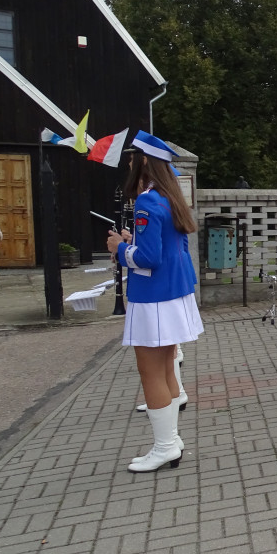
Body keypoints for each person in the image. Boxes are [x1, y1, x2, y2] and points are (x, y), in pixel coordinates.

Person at [106, 131, 203, 472]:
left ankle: (165, 447)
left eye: (133, 156)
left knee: (151, 372)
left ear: (145, 160)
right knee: (165, 367)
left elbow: (148, 259)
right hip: (173, 295)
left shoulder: (148, 200)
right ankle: (170, 441)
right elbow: (162, 247)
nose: (130, 162)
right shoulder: (168, 196)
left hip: (154, 297)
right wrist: (133, 242)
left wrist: (120, 247)